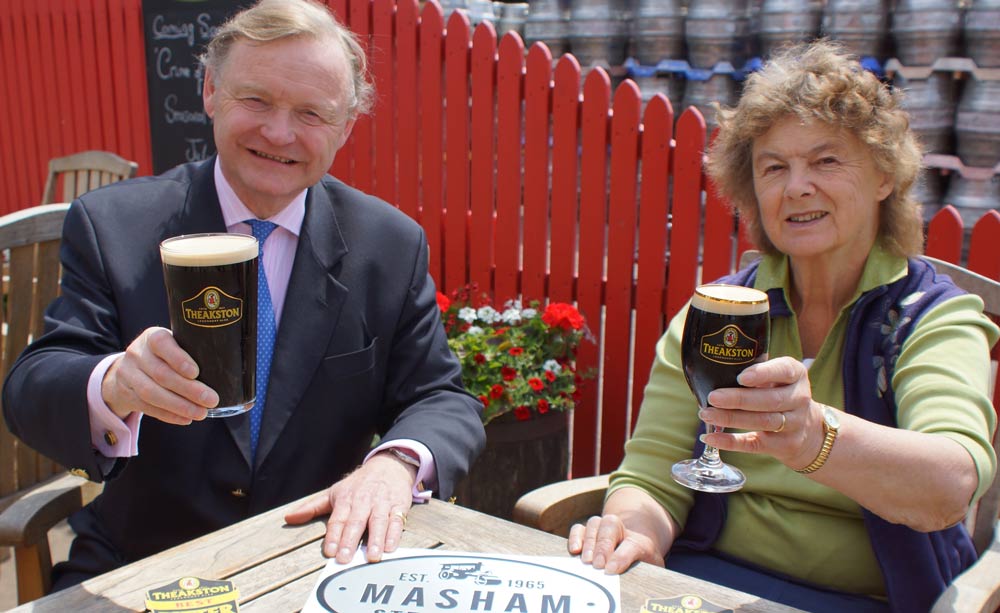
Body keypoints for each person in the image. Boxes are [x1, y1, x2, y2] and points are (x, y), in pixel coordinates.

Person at [2, 0, 484, 591]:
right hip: (146, 564)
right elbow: (32, 386)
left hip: (316, 562)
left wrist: (397, 462)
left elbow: (442, 398)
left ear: (346, 126)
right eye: (255, 100)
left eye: (311, 112)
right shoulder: (114, 225)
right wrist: (114, 383)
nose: (279, 133)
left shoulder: (388, 244)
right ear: (210, 92)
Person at [567, 40, 998, 613]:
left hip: (873, 599)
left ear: (884, 177)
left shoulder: (931, 317)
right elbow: (650, 474)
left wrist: (812, 437)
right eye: (775, 167)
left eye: (826, 161)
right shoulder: (720, 313)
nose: (797, 187)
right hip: (705, 585)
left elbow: (949, 488)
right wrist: (637, 530)